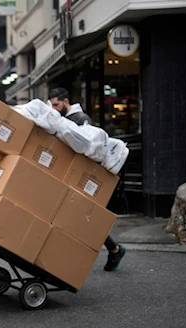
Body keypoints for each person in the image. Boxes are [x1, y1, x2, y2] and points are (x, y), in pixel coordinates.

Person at [48, 87, 126, 272]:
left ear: (66, 101)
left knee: (83, 217)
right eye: (52, 105)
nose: (55, 108)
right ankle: (113, 249)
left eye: (57, 104)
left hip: (83, 177)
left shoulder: (81, 120)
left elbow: (89, 150)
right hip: (70, 174)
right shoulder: (63, 120)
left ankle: (113, 249)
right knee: (81, 218)